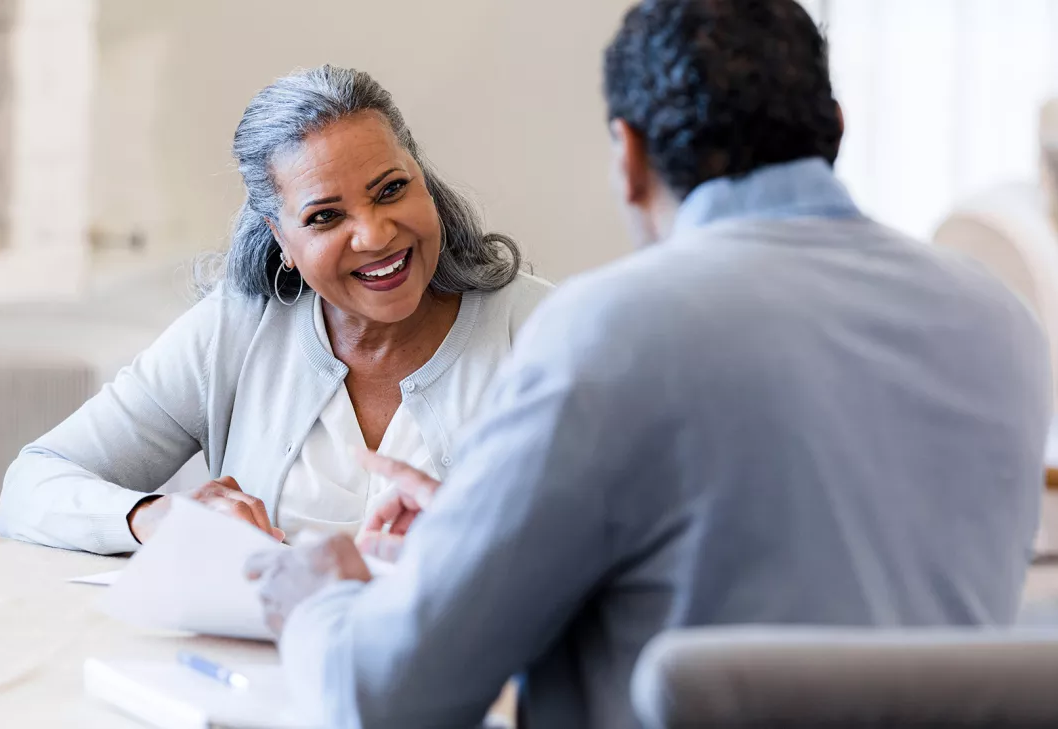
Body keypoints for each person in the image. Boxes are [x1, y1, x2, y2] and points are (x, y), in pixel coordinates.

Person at [244, 1, 1052, 727]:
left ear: (627, 153)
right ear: (835, 127)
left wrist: (321, 601)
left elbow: (387, 700)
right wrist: (476, 532)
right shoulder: (1001, 317)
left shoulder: (610, 328)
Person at [0, 66, 552, 554]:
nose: (375, 234)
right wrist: (159, 517)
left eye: (390, 190)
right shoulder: (234, 331)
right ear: (279, 238)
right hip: (255, 670)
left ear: (423, 182)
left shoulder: (548, 332)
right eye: (324, 217)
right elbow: (31, 484)